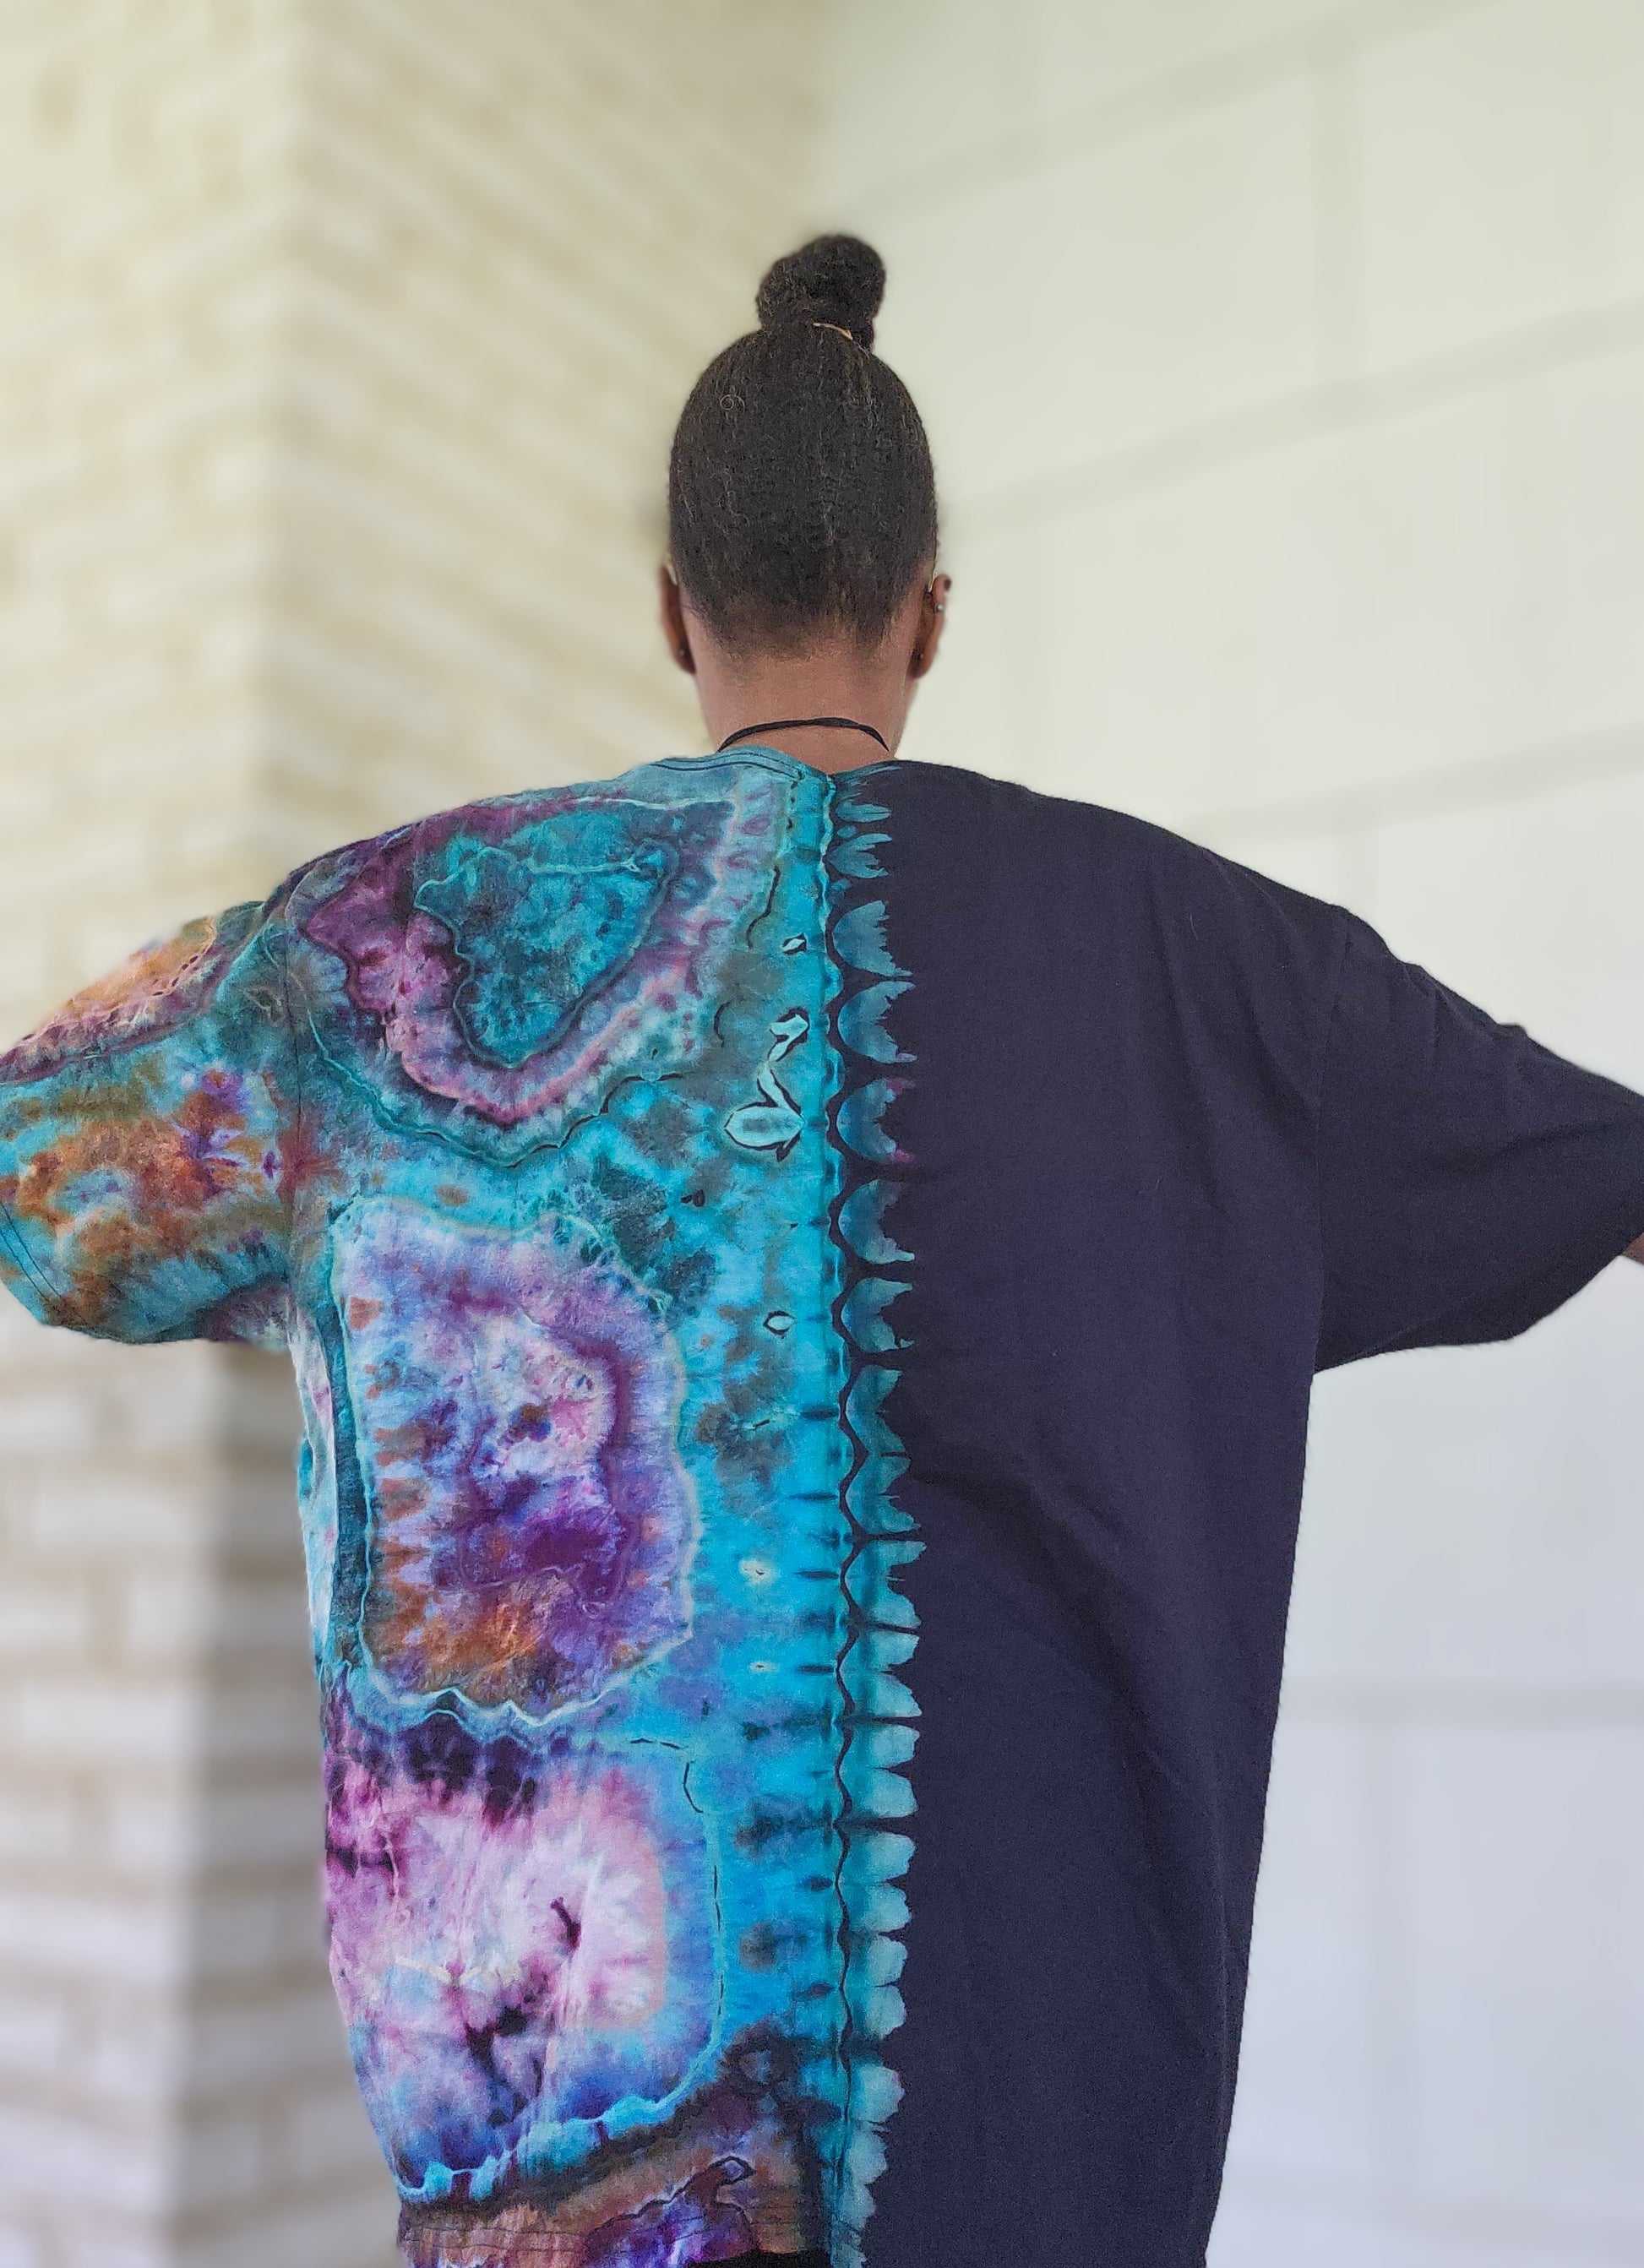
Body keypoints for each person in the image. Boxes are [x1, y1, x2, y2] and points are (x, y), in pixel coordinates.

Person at [0, 232, 1641, 2268]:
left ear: (669, 607)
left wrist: (368, 1230)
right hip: (1042, 2183)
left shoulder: (375, 951)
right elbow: (1598, 1164)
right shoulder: (1214, 967)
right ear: (930, 611)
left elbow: (48, 1171)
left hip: (556, 2202)